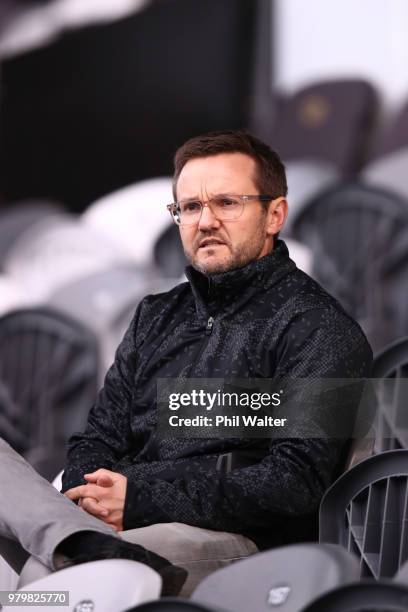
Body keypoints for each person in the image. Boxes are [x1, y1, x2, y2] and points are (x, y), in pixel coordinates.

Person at [0, 130, 372, 596]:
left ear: (275, 213)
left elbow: (294, 482)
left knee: (45, 575)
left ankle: (77, 547)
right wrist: (92, 494)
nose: (206, 221)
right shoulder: (155, 315)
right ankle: (76, 539)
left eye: (227, 203)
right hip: (119, 519)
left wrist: (139, 499)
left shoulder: (320, 329)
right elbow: (96, 438)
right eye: (190, 207)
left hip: (242, 541)